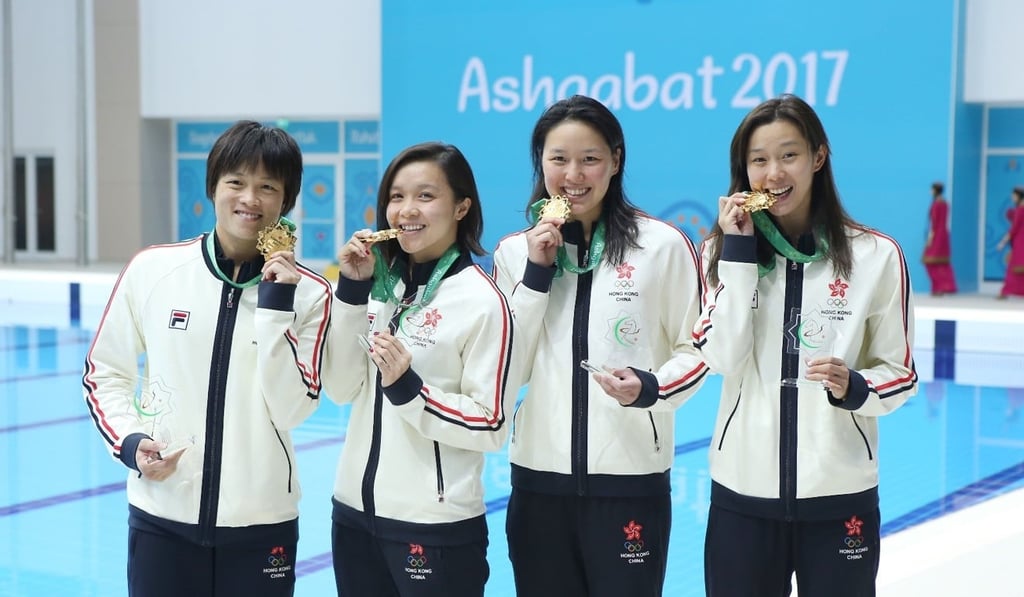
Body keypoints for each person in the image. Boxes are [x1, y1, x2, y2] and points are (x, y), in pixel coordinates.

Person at [82, 120, 334, 597]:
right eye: (236, 182)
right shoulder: (155, 270)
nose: (250, 199)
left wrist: (277, 305)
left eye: (267, 187)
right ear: (213, 187)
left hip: (262, 525)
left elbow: (295, 408)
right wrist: (131, 442)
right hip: (162, 516)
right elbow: (104, 372)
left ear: (287, 201)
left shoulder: (311, 294)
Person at [694, 94, 918, 596]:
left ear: (818, 157)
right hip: (742, 497)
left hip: (839, 497)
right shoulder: (719, 252)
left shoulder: (876, 257)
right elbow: (721, 357)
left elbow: (900, 374)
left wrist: (855, 386)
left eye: (788, 155)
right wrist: (737, 253)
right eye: (758, 160)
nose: (773, 173)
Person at [491, 94, 709, 597]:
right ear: (540, 163)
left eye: (590, 159)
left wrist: (651, 388)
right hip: (538, 483)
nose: (574, 174)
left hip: (630, 480)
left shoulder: (662, 246)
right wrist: (537, 275)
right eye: (558, 159)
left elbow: (697, 351)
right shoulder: (512, 253)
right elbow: (506, 368)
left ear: (615, 161)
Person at [323, 142, 515, 597]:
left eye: (425, 196)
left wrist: (410, 390)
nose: (406, 210)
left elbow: (491, 424)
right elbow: (339, 387)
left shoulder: (483, 302)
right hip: (353, 515)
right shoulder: (378, 288)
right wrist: (351, 292)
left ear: (462, 206)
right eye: (396, 196)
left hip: (433, 527)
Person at [922, 181, 957, 295]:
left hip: (937, 235)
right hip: (944, 236)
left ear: (935, 191)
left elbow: (934, 223)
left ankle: (939, 286)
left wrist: (929, 239)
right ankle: (941, 287)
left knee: (929, 261)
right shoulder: (945, 204)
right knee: (941, 263)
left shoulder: (936, 204)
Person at [996, 185, 1024, 298]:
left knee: (1013, 268)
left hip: (1020, 243)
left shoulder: (1020, 210)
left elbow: (1014, 229)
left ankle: (1005, 291)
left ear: (1018, 196)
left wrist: (1002, 242)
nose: (1012, 198)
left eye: (1013, 195)